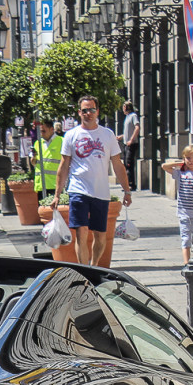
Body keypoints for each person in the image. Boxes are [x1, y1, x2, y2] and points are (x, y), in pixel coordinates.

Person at [49, 96, 133, 266]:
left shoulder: (107, 135)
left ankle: (94, 266)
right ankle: (84, 270)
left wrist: (127, 191)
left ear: (97, 111)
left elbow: (117, 165)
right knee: (81, 232)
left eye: (92, 110)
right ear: (79, 113)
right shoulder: (71, 135)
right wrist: (57, 194)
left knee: (101, 234)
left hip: (101, 192)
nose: (88, 113)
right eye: (85, 110)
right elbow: (64, 166)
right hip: (78, 190)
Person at [162, 146, 193, 265]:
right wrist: (181, 163)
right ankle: (186, 263)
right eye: (188, 158)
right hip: (184, 213)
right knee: (186, 239)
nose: (191, 161)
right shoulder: (181, 173)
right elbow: (164, 166)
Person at [31, 122, 62, 199]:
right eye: (40, 131)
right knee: (42, 210)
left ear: (52, 129)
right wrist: (34, 157)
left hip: (55, 185)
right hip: (41, 184)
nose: (42, 133)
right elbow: (34, 163)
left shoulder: (61, 141)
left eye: (44, 131)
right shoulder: (38, 143)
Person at [121, 101, 140, 191]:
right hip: (126, 144)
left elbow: (137, 127)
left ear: (126, 107)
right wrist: (121, 137)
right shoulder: (127, 117)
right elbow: (128, 132)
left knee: (129, 164)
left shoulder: (133, 116)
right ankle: (127, 184)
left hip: (131, 144)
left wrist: (131, 140)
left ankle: (131, 185)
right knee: (125, 164)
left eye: (123, 107)